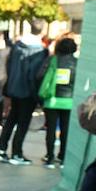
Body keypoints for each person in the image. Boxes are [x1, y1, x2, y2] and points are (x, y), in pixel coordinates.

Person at [0, 18, 48, 166]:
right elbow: (35, 75)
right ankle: (16, 153)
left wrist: (8, 87)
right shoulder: (40, 51)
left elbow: (9, 67)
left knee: (11, 119)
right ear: (42, 30)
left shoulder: (17, 46)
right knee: (22, 123)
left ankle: (1, 148)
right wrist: (37, 95)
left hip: (14, 87)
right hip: (28, 91)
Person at [39, 36, 77, 168]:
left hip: (52, 99)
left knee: (51, 129)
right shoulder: (76, 63)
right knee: (65, 130)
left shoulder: (52, 60)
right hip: (69, 101)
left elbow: (40, 75)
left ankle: (50, 156)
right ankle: (63, 157)